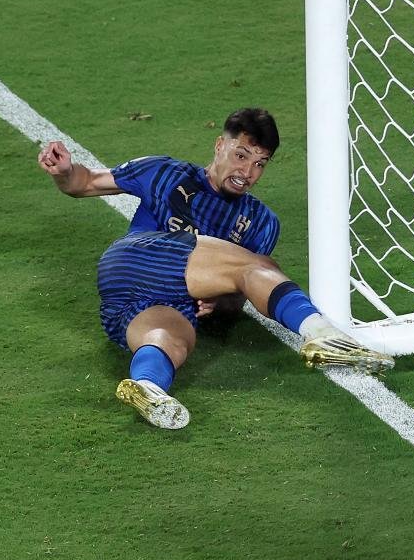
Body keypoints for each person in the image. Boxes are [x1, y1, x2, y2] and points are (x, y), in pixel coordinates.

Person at [37, 108, 392, 429]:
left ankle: (148, 387)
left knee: (173, 341)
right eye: (241, 156)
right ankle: (322, 333)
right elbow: (84, 183)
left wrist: (220, 304)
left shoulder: (261, 222)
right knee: (261, 265)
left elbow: (237, 296)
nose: (247, 172)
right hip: (135, 257)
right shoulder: (165, 172)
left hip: (142, 303)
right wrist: (65, 170)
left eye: (259, 164)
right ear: (219, 145)